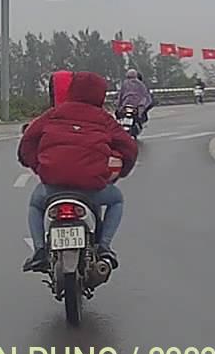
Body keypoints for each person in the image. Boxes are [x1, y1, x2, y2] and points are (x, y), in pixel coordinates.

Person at [18, 71, 138, 273]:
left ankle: (39, 250)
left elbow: (27, 142)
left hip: (53, 187)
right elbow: (129, 148)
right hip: (92, 189)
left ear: (72, 90)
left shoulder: (54, 114)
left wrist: (38, 166)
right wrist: (121, 172)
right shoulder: (104, 119)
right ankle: (104, 247)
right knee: (116, 199)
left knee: (36, 205)